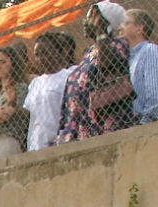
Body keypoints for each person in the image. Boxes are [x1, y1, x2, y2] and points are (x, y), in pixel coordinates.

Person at [56, 2, 136, 143]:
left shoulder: (117, 44)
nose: (85, 22)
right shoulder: (88, 52)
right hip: (81, 122)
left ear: (105, 20)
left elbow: (107, 64)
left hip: (103, 120)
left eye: (91, 17)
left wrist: (101, 32)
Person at [25, 33, 78, 151]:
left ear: (57, 53)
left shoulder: (68, 76)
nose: (40, 59)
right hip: (36, 145)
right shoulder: (35, 83)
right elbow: (33, 118)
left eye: (45, 53)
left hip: (59, 142)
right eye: (37, 55)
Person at [122, 10, 158, 123]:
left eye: (125, 23)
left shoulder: (150, 51)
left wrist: (145, 123)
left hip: (140, 122)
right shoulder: (126, 58)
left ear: (139, 28)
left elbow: (156, 95)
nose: (120, 27)